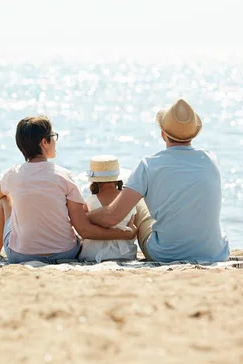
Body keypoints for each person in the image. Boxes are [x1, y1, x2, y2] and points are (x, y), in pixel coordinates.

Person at [87, 99, 230, 262]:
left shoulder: (149, 165)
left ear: (163, 134)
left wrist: (85, 216)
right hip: (216, 253)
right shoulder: (211, 160)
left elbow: (111, 217)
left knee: (137, 203)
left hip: (165, 254)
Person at [0, 115, 137, 264]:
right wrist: (124, 234)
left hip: (21, 255)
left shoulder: (12, 174)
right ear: (44, 142)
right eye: (53, 136)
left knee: (5, 198)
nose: (55, 141)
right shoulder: (64, 176)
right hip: (65, 252)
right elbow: (83, 230)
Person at [78, 155, 138, 262]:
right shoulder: (127, 199)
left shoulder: (91, 200)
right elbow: (133, 227)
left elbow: (82, 224)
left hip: (93, 253)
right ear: (117, 179)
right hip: (124, 253)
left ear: (94, 181)